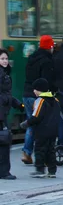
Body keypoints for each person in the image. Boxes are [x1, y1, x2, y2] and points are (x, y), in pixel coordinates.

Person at [22, 35, 56, 165]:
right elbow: (46, 81)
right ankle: (34, 154)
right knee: (39, 125)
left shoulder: (32, 58)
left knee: (31, 122)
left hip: (27, 94)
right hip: (38, 96)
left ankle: (27, 152)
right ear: (49, 47)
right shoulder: (47, 61)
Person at [20, 78, 59, 179]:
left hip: (42, 131)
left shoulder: (40, 101)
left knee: (40, 150)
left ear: (39, 90)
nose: (33, 91)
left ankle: (40, 170)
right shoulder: (55, 100)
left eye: (35, 89)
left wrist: (26, 123)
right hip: (53, 130)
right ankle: (52, 171)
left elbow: (36, 116)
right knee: (51, 150)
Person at [0, 49, 23, 180]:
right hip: (1, 114)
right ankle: (4, 172)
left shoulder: (4, 73)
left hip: (3, 111)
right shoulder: (2, 74)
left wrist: (17, 103)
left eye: (6, 59)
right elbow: (4, 96)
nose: (5, 61)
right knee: (4, 142)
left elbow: (6, 95)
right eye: (2, 59)